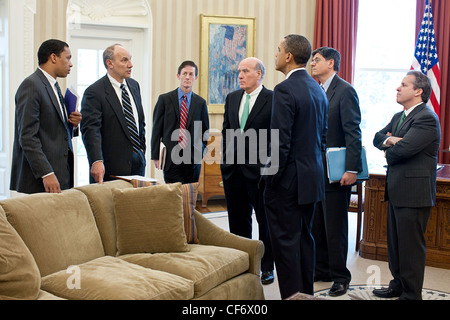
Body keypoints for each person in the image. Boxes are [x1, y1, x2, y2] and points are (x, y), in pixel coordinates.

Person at [263, 35, 329, 298]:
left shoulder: (285, 89)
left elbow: (280, 142)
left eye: (278, 50)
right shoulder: (317, 88)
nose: (276, 54)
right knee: (304, 239)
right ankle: (305, 294)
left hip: (287, 182)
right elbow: (322, 138)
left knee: (286, 245)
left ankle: (292, 296)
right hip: (312, 178)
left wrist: (269, 179)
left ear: (288, 56)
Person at [373, 71, 441, 300]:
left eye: (403, 85)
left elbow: (400, 153)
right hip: (397, 191)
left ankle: (412, 295)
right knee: (396, 245)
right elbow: (376, 137)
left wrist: (392, 144)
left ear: (418, 91)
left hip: (414, 194)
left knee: (411, 248)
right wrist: (391, 139)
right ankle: (398, 285)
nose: (397, 88)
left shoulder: (426, 117)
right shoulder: (398, 116)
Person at [310, 47, 363, 296]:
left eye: (317, 60)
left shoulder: (345, 91)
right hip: (315, 170)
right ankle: (321, 269)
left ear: (331, 63)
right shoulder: (316, 89)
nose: (312, 63)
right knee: (317, 224)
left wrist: (352, 169)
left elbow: (353, 132)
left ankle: (341, 277)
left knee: (336, 226)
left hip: (337, 171)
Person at [221, 57, 275, 285]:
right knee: (237, 221)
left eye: (245, 71)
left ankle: (266, 267)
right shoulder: (232, 98)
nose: (240, 75)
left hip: (261, 173)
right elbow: (226, 132)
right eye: (239, 71)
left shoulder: (272, 99)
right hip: (234, 172)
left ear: (259, 74)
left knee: (265, 221)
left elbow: (275, 137)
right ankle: (243, 263)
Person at [10, 39, 82, 194]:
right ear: (53, 57)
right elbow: (28, 137)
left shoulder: (54, 86)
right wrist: (46, 173)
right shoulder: (31, 85)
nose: (71, 64)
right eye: (68, 58)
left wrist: (73, 125)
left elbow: (55, 130)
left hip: (61, 175)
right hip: (41, 180)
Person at [81, 44, 146, 184]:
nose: (130, 65)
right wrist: (96, 161)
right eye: (124, 60)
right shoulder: (94, 92)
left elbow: (140, 122)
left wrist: (142, 152)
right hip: (110, 168)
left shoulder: (134, 86)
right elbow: (91, 130)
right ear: (109, 63)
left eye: (130, 59)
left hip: (138, 166)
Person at [151, 61, 209, 184]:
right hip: (171, 159)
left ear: (195, 77)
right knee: (174, 197)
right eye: (184, 73)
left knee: (189, 196)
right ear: (178, 76)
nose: (187, 77)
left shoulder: (200, 103)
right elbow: (156, 129)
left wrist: (200, 152)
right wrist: (155, 155)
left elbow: (205, 131)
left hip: (192, 160)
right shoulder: (164, 100)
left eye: (191, 74)